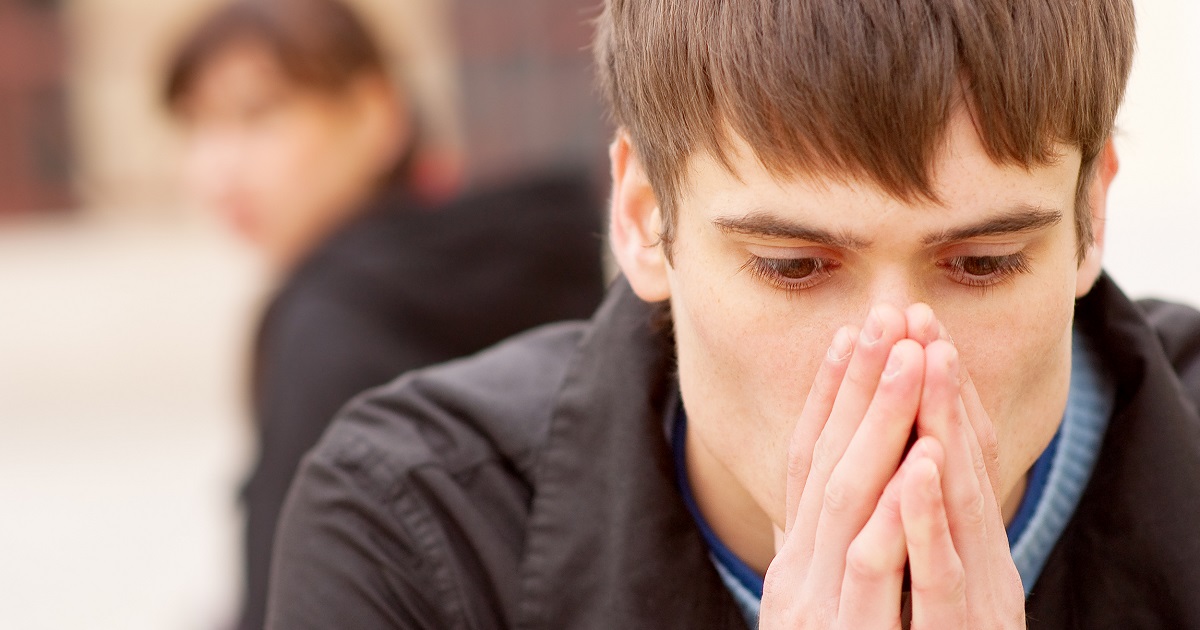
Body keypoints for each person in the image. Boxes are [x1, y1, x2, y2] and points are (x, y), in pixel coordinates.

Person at [268, 0, 1200, 628]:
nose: (896, 357)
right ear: (642, 220)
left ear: (1090, 221)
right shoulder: (418, 529)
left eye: (984, 263)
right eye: (793, 267)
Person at [162, 2, 606, 629]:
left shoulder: (332, 318)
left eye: (256, 116)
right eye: (195, 126)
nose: (215, 169)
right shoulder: (519, 259)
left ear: (376, 115)